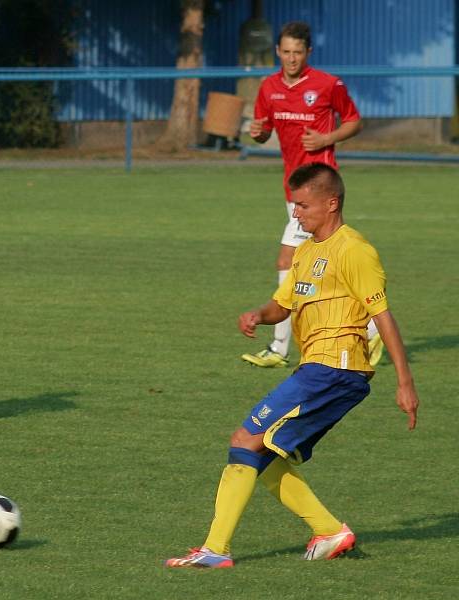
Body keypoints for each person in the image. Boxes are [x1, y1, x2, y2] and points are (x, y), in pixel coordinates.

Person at [165, 163, 419, 568]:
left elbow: (383, 316)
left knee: (245, 439)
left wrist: (405, 382)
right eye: (294, 205)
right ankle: (329, 530)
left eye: (303, 205)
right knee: (261, 453)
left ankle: (215, 550)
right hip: (316, 370)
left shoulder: (354, 250)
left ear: (331, 203)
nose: (296, 213)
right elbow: (283, 304)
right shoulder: (306, 252)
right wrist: (257, 315)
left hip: (336, 370)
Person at [241, 21, 384, 368]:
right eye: (286, 52)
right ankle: (369, 328)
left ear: (308, 53)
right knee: (327, 264)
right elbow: (263, 132)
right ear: (278, 51)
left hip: (318, 187)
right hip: (292, 187)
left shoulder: (327, 84)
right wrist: (257, 132)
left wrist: (325, 138)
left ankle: (278, 349)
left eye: (298, 52)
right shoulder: (269, 87)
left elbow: (354, 121)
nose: (291, 59)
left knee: (287, 260)